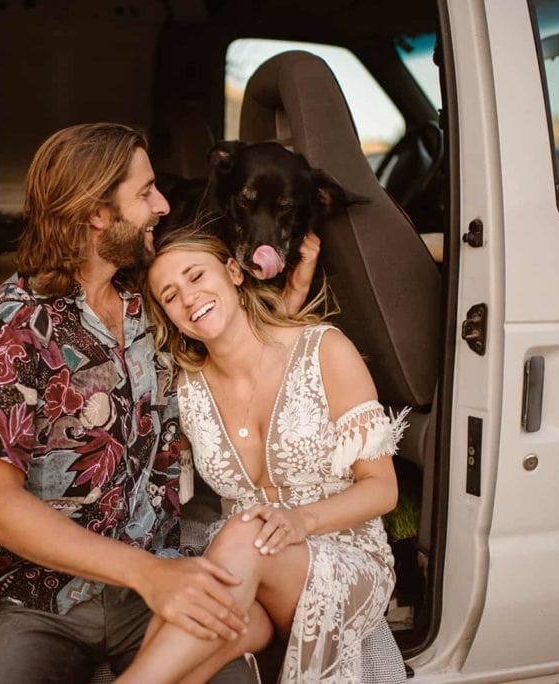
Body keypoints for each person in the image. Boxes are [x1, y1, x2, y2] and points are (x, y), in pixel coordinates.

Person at [0, 122, 320, 682]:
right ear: (98, 213)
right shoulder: (6, 330)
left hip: (156, 589)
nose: (163, 205)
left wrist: (288, 300)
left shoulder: (156, 302)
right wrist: (148, 574)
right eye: (145, 193)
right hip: (38, 600)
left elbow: (243, 361)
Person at [122, 230, 405, 682]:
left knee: (241, 536)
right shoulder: (183, 385)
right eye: (170, 296)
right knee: (198, 640)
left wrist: (300, 521)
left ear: (234, 273)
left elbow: (382, 489)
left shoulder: (324, 350)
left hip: (343, 555)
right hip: (243, 572)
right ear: (167, 315)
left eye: (196, 276)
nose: (189, 298)